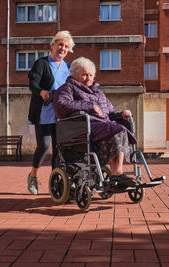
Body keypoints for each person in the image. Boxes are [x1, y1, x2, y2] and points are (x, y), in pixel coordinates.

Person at [53, 57, 137, 187]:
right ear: (75, 75)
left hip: (103, 127)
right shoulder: (67, 88)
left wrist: (121, 114)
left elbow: (109, 112)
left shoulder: (99, 93)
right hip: (83, 129)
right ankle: (118, 174)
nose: (88, 78)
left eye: (91, 75)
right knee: (116, 129)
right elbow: (60, 105)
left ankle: (116, 174)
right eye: (84, 75)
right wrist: (89, 106)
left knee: (119, 128)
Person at [27, 31, 75, 195]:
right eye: (60, 44)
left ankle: (56, 183)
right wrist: (42, 92)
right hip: (44, 112)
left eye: (66, 46)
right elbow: (33, 82)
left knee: (58, 149)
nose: (62, 48)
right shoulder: (41, 63)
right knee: (44, 146)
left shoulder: (68, 68)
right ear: (53, 45)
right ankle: (33, 176)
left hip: (62, 114)